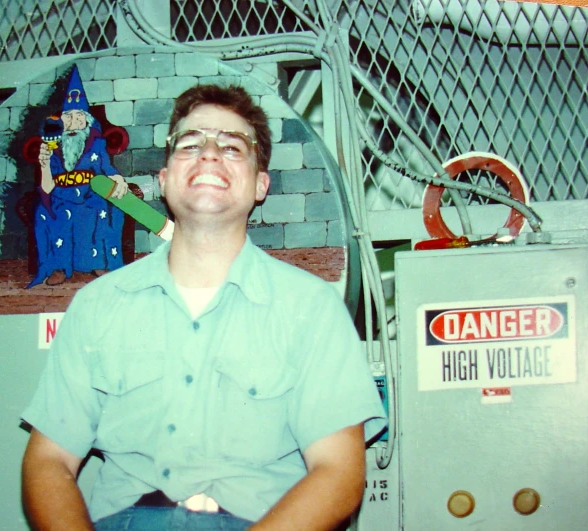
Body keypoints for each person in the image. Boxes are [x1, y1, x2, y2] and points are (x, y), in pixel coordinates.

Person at [21, 84, 387, 530]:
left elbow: (339, 473)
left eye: (233, 147)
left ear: (260, 184)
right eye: (190, 144)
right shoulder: (98, 306)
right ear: (163, 178)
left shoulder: (311, 309)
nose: (209, 154)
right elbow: (48, 460)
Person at [27, 65, 130, 288]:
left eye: (78, 117)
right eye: (68, 117)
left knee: (101, 210)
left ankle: (100, 261)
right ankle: (58, 266)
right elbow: (46, 188)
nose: (73, 123)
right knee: (50, 213)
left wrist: (118, 179)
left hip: (91, 194)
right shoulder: (52, 148)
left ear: (87, 120)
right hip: (61, 196)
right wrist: (44, 165)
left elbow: (107, 169)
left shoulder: (97, 144)